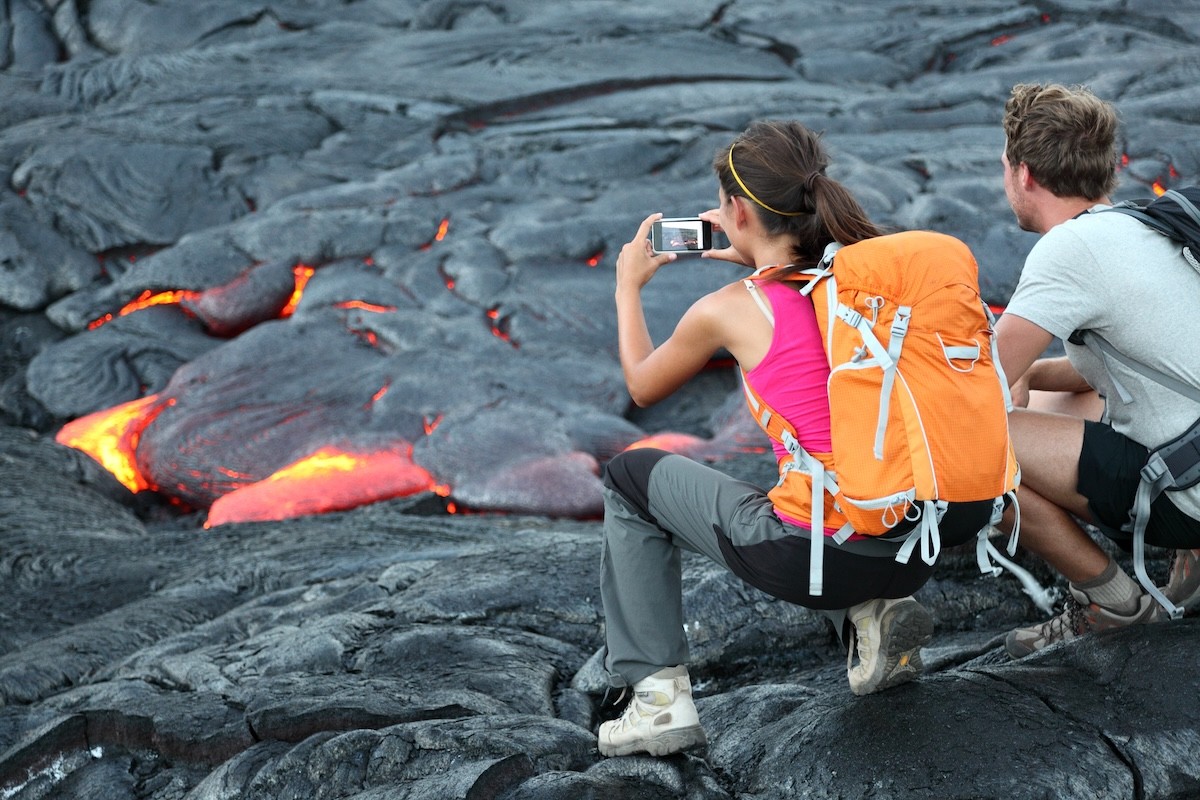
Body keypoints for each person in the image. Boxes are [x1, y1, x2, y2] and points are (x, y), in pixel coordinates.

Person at [597, 119, 995, 758]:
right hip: (915, 542)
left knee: (629, 478)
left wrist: (627, 285)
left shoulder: (728, 309)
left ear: (734, 212)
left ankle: (656, 701)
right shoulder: (868, 282)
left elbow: (642, 386)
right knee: (838, 470)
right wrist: (754, 247)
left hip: (818, 559)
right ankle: (872, 617)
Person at [993, 83, 1200, 660]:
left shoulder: (1070, 252)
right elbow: (1122, 369)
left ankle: (1114, 603)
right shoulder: (1138, 225)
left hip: (1189, 494)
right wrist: (1030, 377)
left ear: (1024, 173)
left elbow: (974, 384)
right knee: (1052, 406)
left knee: (964, 447)